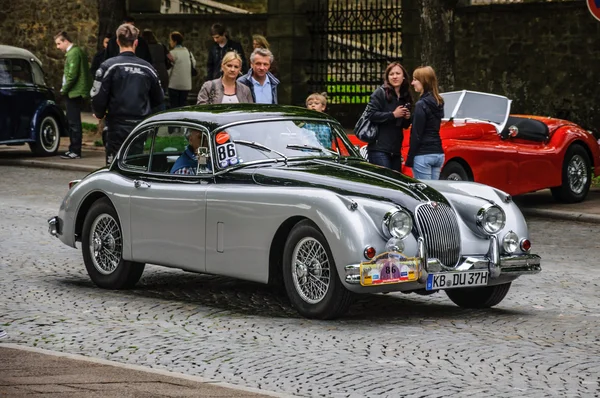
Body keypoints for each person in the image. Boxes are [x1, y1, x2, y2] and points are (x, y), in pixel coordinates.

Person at [91, 23, 164, 165]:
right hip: (140, 126)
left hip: (116, 125)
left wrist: (99, 113)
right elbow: (159, 99)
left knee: (114, 165)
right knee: (135, 163)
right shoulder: (148, 68)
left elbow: (98, 95)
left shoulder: (108, 66)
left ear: (117, 41)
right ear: (136, 42)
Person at [366, 61, 412, 171]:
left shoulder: (406, 96)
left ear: (404, 77)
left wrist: (407, 118)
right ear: (387, 77)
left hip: (395, 150)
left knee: (395, 184)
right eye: (391, 74)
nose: (395, 76)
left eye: (398, 73)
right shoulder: (380, 93)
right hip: (379, 148)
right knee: (384, 183)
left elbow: (405, 125)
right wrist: (393, 114)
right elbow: (371, 114)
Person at [54, 31, 93, 160]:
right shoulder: (76, 52)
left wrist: (63, 90)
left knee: (73, 122)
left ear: (66, 41)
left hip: (74, 92)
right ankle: (73, 149)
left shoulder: (73, 53)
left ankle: (75, 150)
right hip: (76, 91)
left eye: (59, 43)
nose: (58, 47)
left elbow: (72, 75)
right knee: (73, 121)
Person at [405, 66, 445, 180]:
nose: (412, 83)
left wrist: (410, 158)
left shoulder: (421, 104)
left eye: (415, 79)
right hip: (438, 153)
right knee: (434, 193)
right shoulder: (439, 102)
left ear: (424, 81)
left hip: (423, 154)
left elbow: (417, 134)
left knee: (424, 194)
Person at [167, 31, 196, 109]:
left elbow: (169, 69)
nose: (170, 42)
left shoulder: (173, 53)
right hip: (186, 85)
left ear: (175, 41)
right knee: (183, 105)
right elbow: (194, 63)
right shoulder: (188, 52)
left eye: (171, 40)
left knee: (174, 106)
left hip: (174, 85)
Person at [142, 29, 170, 94]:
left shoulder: (143, 48)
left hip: (149, 74)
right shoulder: (162, 46)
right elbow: (170, 58)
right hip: (162, 74)